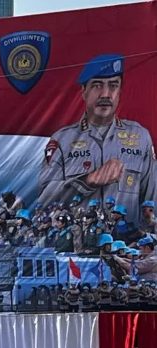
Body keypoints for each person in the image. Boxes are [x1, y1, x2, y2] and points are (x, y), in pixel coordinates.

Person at [38, 54, 156, 225]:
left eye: (113, 85)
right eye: (97, 85)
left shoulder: (140, 137)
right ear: (83, 92)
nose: (105, 94)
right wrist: (87, 181)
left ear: (120, 91)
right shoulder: (62, 140)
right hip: (76, 245)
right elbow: (44, 198)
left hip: (125, 247)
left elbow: (152, 200)